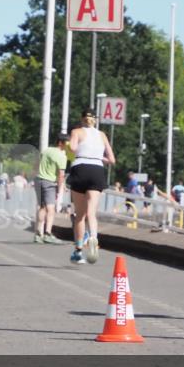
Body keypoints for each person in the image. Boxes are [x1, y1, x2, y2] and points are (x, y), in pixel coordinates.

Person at [67, 108, 116, 265]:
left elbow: (73, 148)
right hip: (97, 169)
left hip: (80, 168)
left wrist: (70, 145)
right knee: (91, 213)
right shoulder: (102, 135)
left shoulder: (77, 131)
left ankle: (78, 250)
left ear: (82, 119)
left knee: (79, 215)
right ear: (95, 120)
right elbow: (112, 160)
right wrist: (97, 156)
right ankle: (94, 237)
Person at [34, 133, 69, 244]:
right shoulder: (62, 156)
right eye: (67, 143)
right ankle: (48, 233)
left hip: (39, 179)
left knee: (42, 207)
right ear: (60, 143)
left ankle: (38, 233)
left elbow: (36, 164)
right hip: (49, 182)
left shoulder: (46, 150)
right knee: (51, 209)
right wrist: (60, 189)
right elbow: (61, 175)